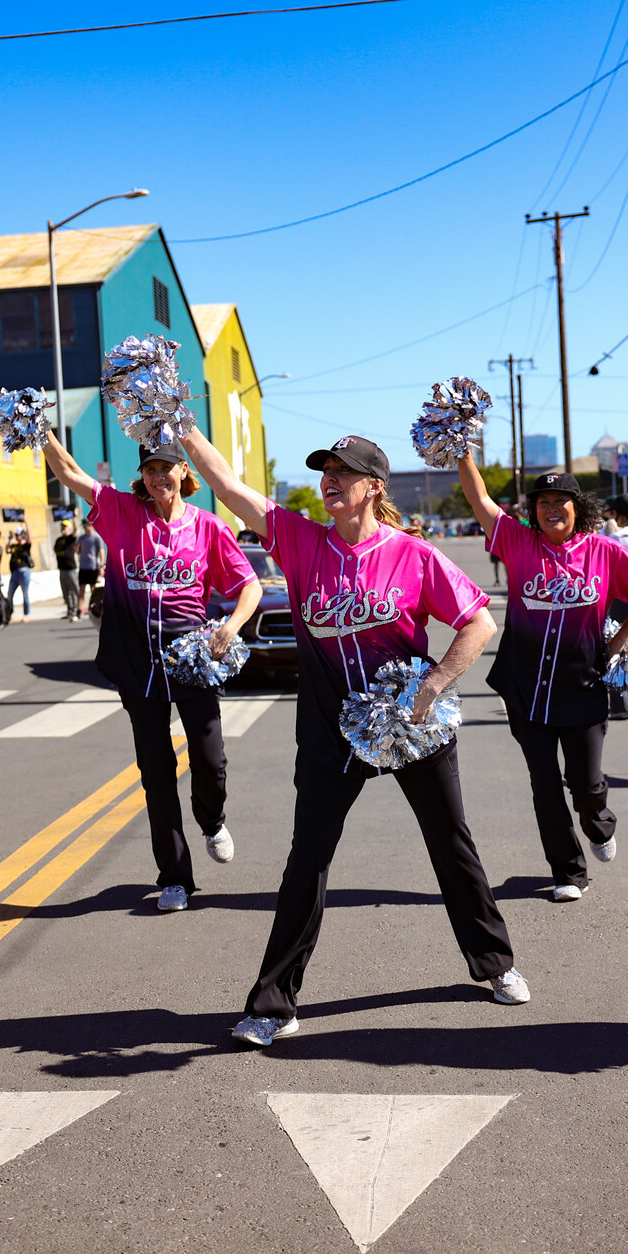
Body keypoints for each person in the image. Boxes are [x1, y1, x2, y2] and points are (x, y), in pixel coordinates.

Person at [177, 429, 528, 1048]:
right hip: (328, 731)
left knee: (451, 844)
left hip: (408, 726)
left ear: (374, 486)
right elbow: (229, 487)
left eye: (344, 472)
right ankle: (274, 1002)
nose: (329, 481)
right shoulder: (300, 540)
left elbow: (479, 620)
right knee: (306, 859)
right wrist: (181, 426)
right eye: (324, 471)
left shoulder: (413, 555)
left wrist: (434, 686)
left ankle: (495, 964)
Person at [41, 434, 261, 912]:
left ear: (185, 472)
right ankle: (175, 877)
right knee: (156, 773)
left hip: (191, 658)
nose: (159, 476)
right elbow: (71, 475)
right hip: (137, 661)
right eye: (150, 469)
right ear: (141, 476)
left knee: (210, 759)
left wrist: (230, 627)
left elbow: (250, 587)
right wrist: (43, 433)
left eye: (168, 467)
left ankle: (213, 819)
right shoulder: (121, 513)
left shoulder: (208, 527)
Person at [457, 457, 628, 902]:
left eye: (561, 501)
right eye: (543, 501)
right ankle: (569, 872)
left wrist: (620, 640)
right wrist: (462, 451)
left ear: (577, 507)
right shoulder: (516, 540)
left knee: (586, 783)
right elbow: (480, 498)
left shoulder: (603, 550)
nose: (552, 508)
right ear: (534, 509)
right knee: (544, 782)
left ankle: (598, 824)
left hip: (582, 683)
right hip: (524, 686)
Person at [76, 519, 106, 618]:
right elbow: (77, 551)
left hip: (93, 567)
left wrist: (101, 566)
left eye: (86, 526)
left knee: (93, 589)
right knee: (81, 589)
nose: (85, 528)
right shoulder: (82, 538)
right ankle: (79, 610)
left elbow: (101, 552)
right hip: (83, 567)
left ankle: (94, 609)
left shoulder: (97, 538)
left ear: (90, 525)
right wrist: (77, 547)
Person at [53, 520, 81, 620]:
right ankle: (69, 610)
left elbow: (76, 531)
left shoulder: (70, 539)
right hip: (62, 568)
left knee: (73, 590)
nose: (63, 529)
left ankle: (75, 610)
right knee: (65, 591)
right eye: (62, 527)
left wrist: (74, 519)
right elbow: (55, 549)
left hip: (70, 568)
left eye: (65, 527)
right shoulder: (59, 540)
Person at [6, 527, 35, 618]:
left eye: (19, 535)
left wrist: (25, 521)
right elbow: (7, 550)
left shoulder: (26, 546)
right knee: (9, 595)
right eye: (16, 535)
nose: (17, 537)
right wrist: (9, 540)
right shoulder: (14, 546)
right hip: (14, 573)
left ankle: (26, 614)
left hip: (24, 572)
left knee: (25, 594)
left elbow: (30, 538)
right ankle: (10, 613)